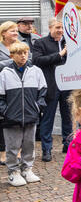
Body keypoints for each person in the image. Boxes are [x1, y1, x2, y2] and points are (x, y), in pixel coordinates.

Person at [0, 42, 46, 186]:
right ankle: (13, 172)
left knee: (29, 144)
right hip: (11, 118)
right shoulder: (5, 73)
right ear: (12, 56)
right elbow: (0, 97)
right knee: (12, 147)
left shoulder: (36, 71)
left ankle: (27, 169)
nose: (23, 56)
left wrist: (38, 107)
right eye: (19, 53)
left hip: (31, 115)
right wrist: (6, 112)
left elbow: (42, 91)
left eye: (25, 53)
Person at [33, 17, 71, 162]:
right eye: (57, 28)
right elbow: (37, 61)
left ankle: (67, 144)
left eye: (62, 28)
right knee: (48, 118)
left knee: (68, 116)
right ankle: (46, 149)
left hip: (67, 85)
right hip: (50, 85)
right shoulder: (40, 43)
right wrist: (60, 54)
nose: (60, 31)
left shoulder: (68, 42)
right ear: (50, 28)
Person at [0, 21, 20, 165]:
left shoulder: (20, 46)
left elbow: (30, 62)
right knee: (3, 121)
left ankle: (18, 151)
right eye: (12, 31)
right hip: (2, 88)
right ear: (3, 33)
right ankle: (2, 153)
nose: (15, 33)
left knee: (18, 120)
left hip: (18, 88)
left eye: (16, 31)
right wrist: (14, 61)